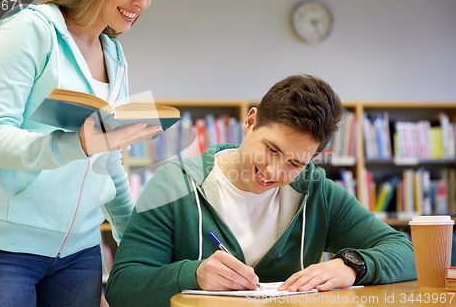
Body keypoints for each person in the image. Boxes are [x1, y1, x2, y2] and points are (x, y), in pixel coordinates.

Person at [105, 75, 417, 307]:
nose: (273, 172)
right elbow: (122, 288)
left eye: (295, 163)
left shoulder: (316, 192)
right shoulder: (174, 185)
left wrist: (352, 264)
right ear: (250, 122)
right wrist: (194, 275)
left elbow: (406, 252)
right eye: (271, 149)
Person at [0, 0, 158, 306]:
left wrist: (135, 241)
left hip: (81, 257)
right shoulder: (28, 29)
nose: (143, 3)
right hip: (5, 252)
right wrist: (75, 145)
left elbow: (109, 160)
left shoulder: (114, 54)